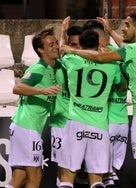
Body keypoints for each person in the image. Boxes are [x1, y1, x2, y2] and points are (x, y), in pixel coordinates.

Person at [60, 12, 136, 188]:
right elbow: (124, 48)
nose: (123, 28)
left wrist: (71, 49)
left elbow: (100, 57)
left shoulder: (130, 50)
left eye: (127, 25)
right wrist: (110, 31)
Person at [58, 29, 123, 188]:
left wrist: (63, 32)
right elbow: (121, 84)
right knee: (97, 180)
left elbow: (61, 49)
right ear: (98, 44)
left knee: (67, 177)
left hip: (76, 123)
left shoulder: (72, 59)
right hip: (99, 126)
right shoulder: (112, 66)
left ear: (80, 44)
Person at [6, 27, 61, 188]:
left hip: (24, 127)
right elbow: (17, 88)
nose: (56, 46)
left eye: (56, 42)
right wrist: (42, 90)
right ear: (40, 50)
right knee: (35, 176)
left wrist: (63, 32)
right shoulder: (38, 69)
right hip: (26, 128)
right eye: (51, 44)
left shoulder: (54, 66)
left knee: (19, 177)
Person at [49, 16, 84, 187]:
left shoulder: (89, 67)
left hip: (81, 124)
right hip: (60, 124)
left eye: (78, 45)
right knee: (63, 170)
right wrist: (62, 32)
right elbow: (59, 51)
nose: (74, 48)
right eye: (72, 45)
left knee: (83, 173)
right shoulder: (58, 64)